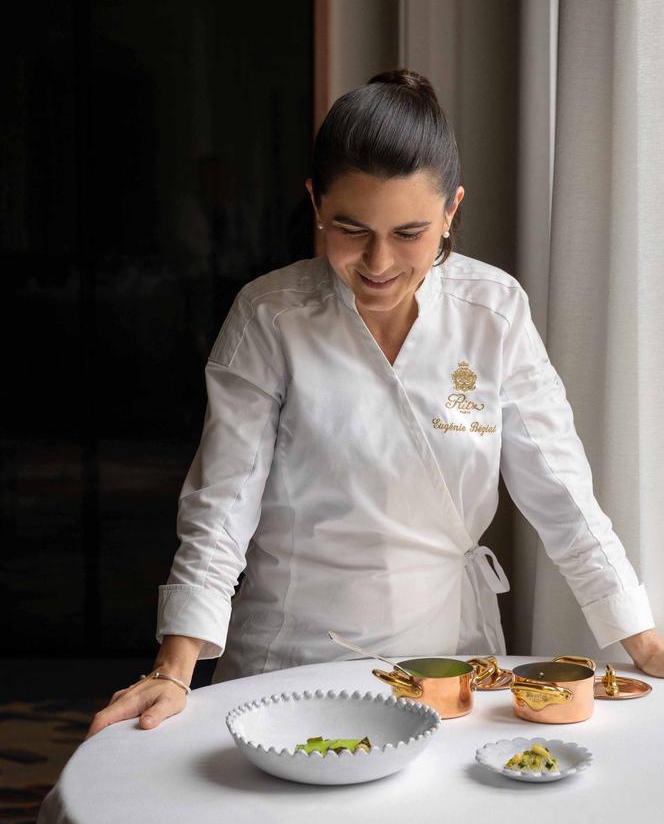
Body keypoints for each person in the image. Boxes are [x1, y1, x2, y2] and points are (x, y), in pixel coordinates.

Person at [84, 68, 664, 740]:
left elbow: (562, 493)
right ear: (314, 204)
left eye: (411, 232)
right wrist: (175, 665)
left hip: (446, 657)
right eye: (350, 230)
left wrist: (642, 640)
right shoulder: (271, 316)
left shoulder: (492, 310)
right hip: (292, 650)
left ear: (452, 211)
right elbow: (222, 502)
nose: (379, 262)